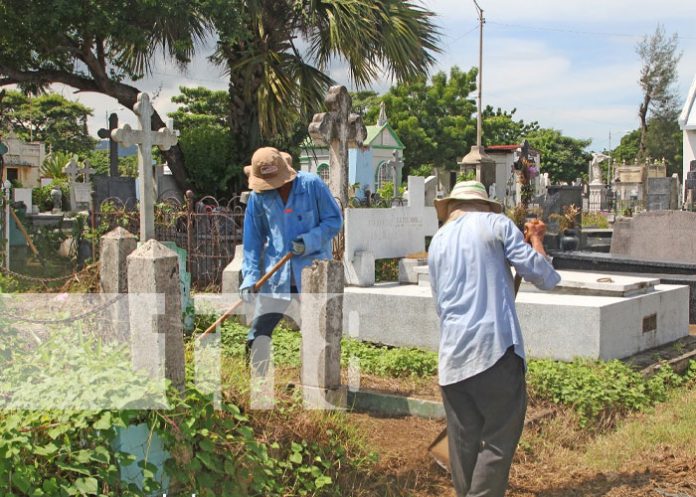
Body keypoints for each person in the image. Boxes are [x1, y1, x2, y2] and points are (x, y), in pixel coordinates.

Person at [427, 180, 560, 497]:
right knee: (498, 440)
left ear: (453, 207)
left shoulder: (439, 240)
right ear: (485, 205)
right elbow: (542, 275)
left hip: (452, 358)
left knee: (463, 443)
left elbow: (441, 304)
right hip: (494, 351)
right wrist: (537, 241)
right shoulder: (496, 224)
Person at [240, 146, 342, 369]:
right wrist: (249, 277)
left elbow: (334, 220)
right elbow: (252, 240)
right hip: (277, 276)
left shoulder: (311, 185)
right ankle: (257, 382)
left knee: (318, 331)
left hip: (313, 272)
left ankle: (317, 383)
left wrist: (308, 241)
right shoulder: (259, 198)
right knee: (259, 331)